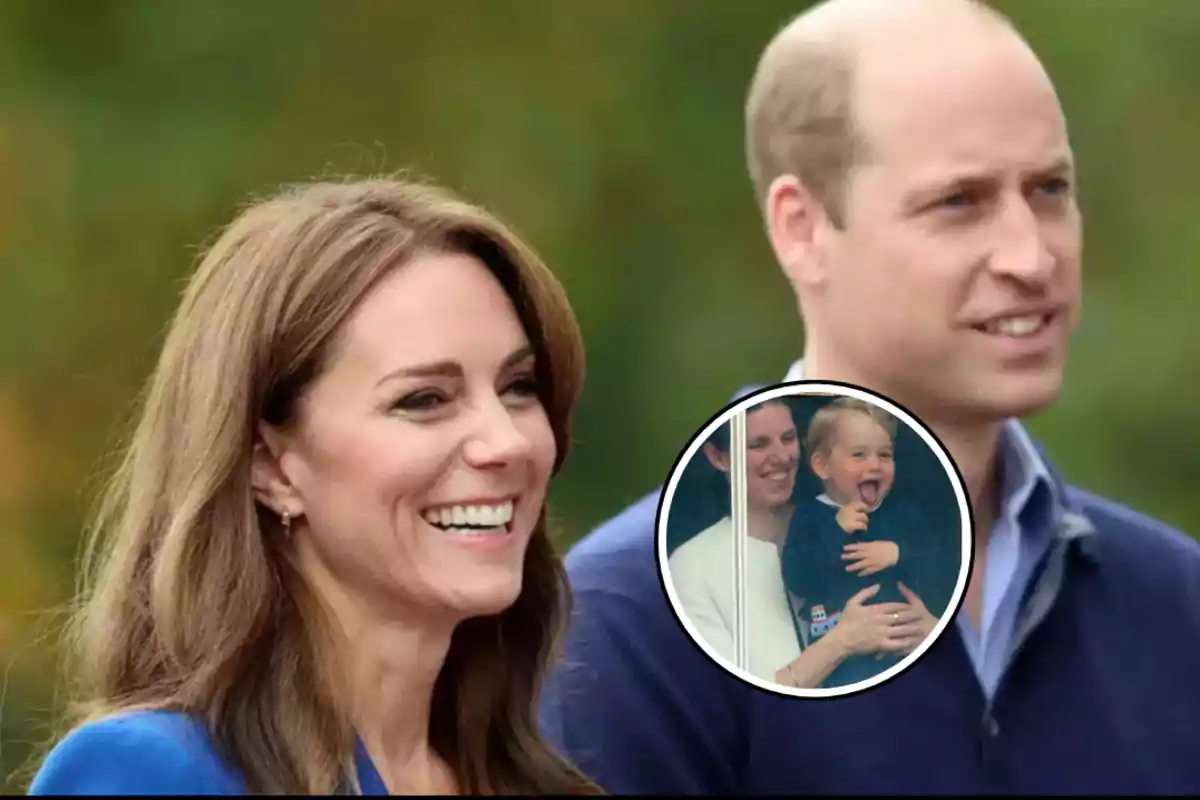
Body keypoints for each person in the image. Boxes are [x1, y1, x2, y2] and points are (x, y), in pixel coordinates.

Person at [539, 0, 1200, 794]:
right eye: (960, 201)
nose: (1031, 255)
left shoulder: (1175, 608)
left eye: (1051, 189)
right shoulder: (640, 620)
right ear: (803, 229)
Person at [28, 177, 601, 795]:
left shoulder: (542, 783)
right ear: (269, 465)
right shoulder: (153, 775)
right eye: (425, 399)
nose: (508, 442)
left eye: (519, 387)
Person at [666, 398, 915, 688]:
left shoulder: (852, 519)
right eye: (758, 444)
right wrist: (841, 642)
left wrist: (925, 629)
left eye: (787, 439)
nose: (781, 457)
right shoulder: (691, 566)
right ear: (719, 457)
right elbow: (731, 700)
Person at [780, 396, 961, 688]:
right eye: (859, 455)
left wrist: (899, 554)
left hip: (904, 652)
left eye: (884, 455)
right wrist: (836, 529)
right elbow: (798, 578)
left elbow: (941, 565)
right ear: (822, 465)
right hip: (842, 664)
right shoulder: (810, 516)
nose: (874, 465)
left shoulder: (903, 513)